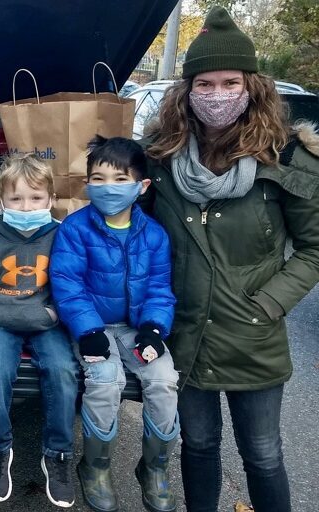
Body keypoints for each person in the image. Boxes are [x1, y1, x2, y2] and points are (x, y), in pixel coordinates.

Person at [142, 7, 319, 512]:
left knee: (263, 454)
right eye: (205, 83)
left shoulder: (287, 158)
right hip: (187, 331)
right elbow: (140, 238)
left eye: (229, 82)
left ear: (252, 86)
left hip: (252, 334)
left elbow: (314, 248)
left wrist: (269, 304)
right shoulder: (161, 156)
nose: (217, 95)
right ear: (187, 89)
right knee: (197, 446)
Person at [52, 136, 178, 512]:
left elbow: (159, 287)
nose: (108, 188)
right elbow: (68, 285)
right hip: (92, 329)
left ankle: (155, 468)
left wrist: (155, 328)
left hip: (136, 328)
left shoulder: (154, 234)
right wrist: (88, 331)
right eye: (98, 179)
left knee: (163, 381)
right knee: (105, 382)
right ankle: (95, 466)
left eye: (120, 179)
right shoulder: (75, 229)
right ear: (87, 183)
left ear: (141, 187)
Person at [0, 152, 79, 507]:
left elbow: (71, 283)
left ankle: (58, 453)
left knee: (63, 371)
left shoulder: (62, 236)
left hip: (46, 320)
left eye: (36, 198)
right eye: (16, 198)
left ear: (51, 200)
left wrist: (53, 315)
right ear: (0, 201)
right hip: (0, 320)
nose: (26, 205)